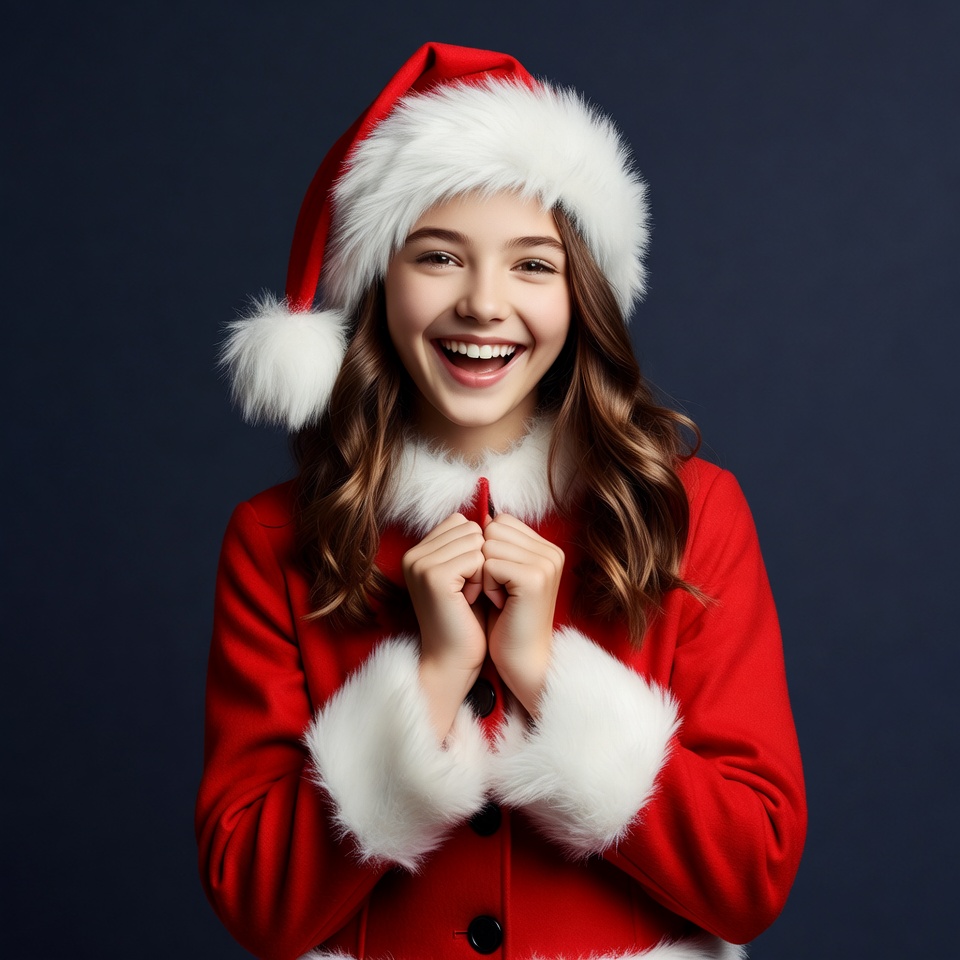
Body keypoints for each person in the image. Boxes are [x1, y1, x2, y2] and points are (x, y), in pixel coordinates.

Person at [196, 42, 806, 960]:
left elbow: (751, 877)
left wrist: (543, 675)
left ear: (581, 294)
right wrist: (431, 680)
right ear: (377, 285)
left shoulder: (690, 514)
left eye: (532, 265)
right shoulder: (274, 538)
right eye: (438, 256)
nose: (484, 304)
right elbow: (254, 900)